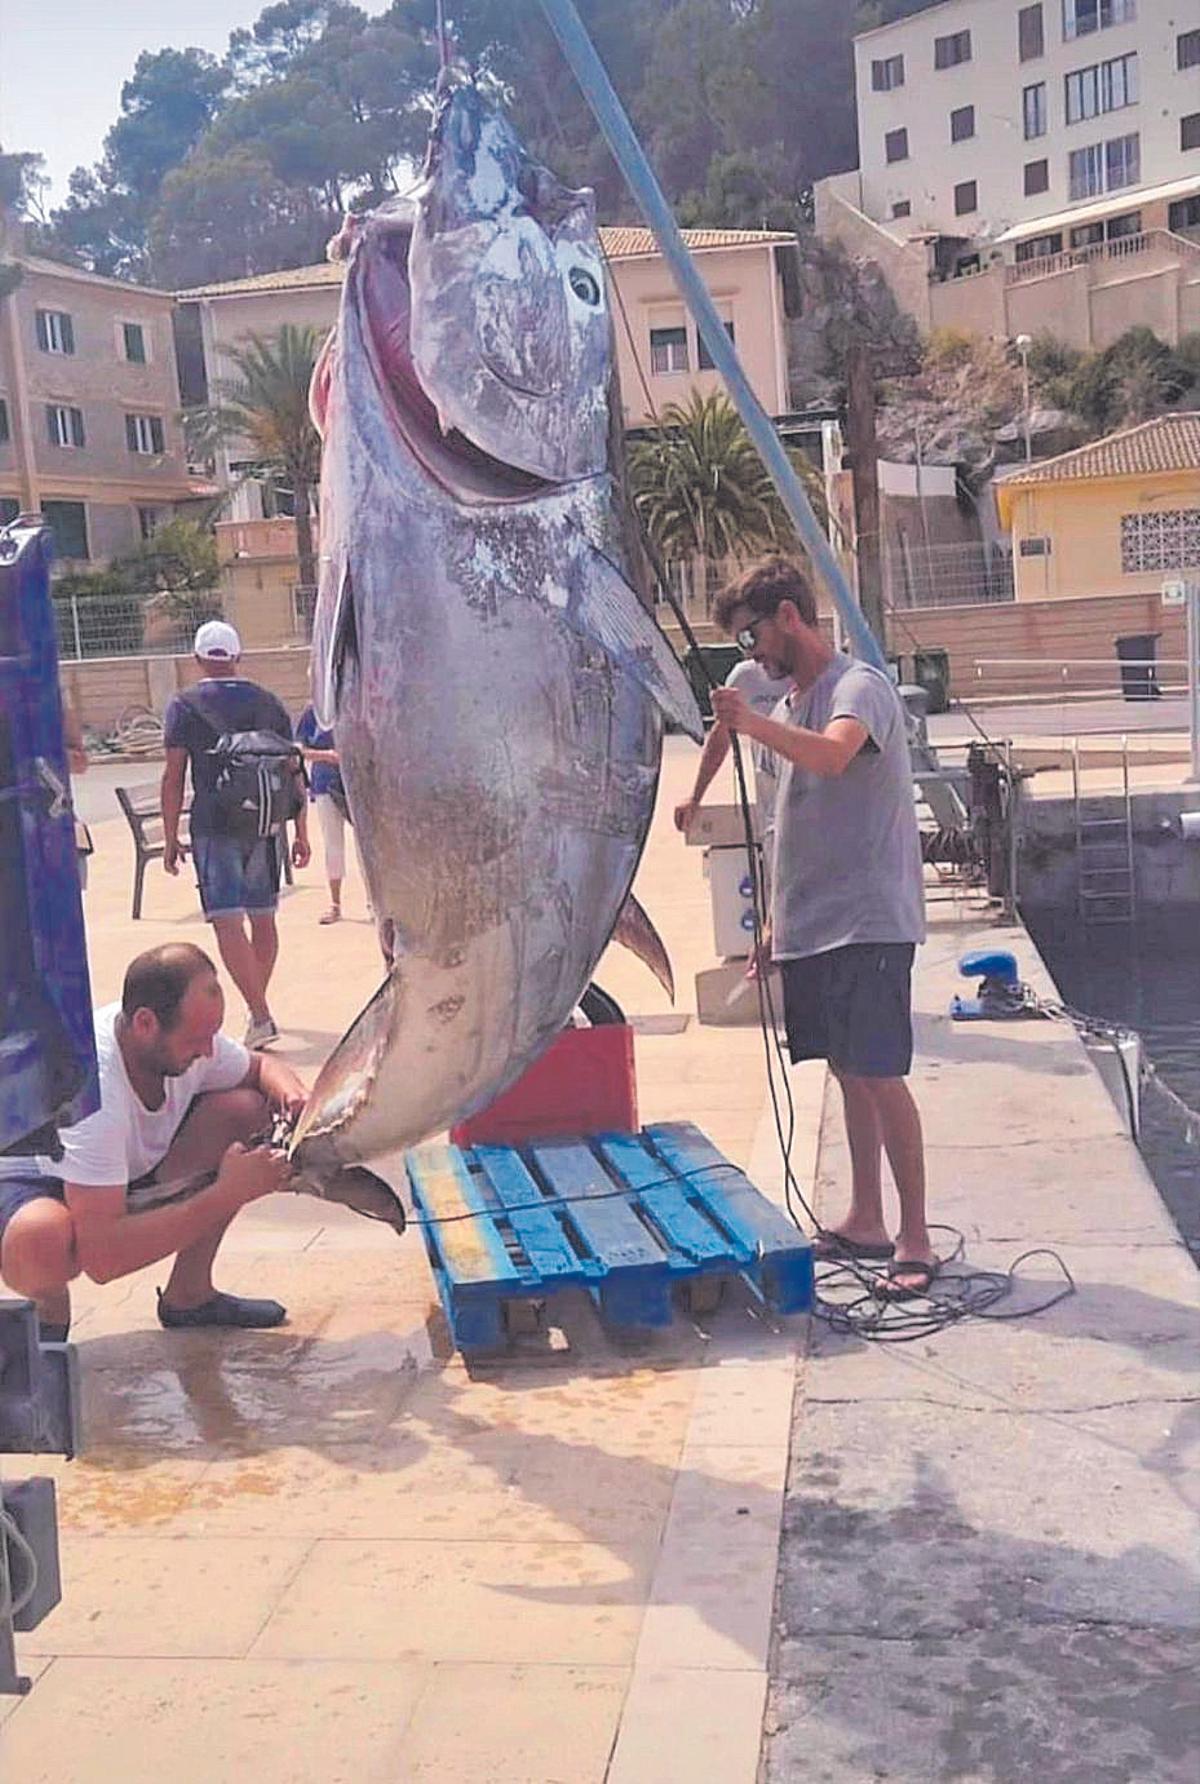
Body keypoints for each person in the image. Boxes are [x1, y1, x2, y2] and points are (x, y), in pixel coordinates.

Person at [710, 556, 935, 1301]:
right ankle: (866, 1217)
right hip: (814, 925)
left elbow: (837, 757)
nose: (751, 656)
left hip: (868, 922)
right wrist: (776, 921)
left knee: (880, 1072)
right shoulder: (788, 706)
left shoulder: (855, 688)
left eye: (752, 637)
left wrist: (750, 725)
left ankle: (915, 1236)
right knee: (846, 1069)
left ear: (788, 616)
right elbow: (796, 823)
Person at [0, 943, 306, 1341]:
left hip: (124, 1170)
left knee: (246, 1109)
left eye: (212, 1035)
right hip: (36, 1179)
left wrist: (294, 1095)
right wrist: (227, 1193)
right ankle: (47, 1325)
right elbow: (103, 1260)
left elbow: (261, 1066)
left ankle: (190, 1294)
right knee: (42, 1240)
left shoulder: (186, 1039)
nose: (207, 1051)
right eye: (196, 1039)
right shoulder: (94, 1089)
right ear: (145, 1023)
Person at [161, 621, 310, 1049]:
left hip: (214, 824)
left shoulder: (184, 706)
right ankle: (256, 1010)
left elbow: (174, 775)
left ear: (197, 659)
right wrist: (300, 831)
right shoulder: (269, 702)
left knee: (227, 921)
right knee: (263, 918)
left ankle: (260, 1014)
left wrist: (170, 836)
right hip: (265, 825)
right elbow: (292, 769)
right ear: (238, 657)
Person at [673, 656, 793, 835]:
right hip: (770, 811)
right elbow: (721, 737)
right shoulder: (744, 675)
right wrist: (695, 797)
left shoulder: (819, 674)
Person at [295, 703, 365, 924]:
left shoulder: (356, 704)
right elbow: (300, 749)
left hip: (358, 784)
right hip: (325, 783)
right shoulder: (314, 711)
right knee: (333, 844)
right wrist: (326, 755)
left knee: (365, 845)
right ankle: (335, 903)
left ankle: (373, 902)